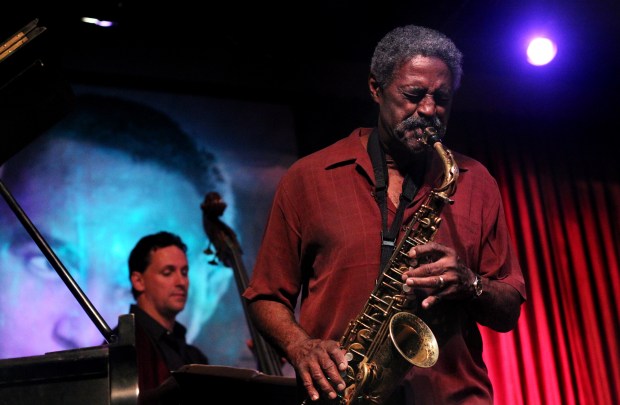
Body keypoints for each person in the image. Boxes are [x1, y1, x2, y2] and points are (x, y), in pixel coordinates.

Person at [242, 24, 527, 404]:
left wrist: (470, 283)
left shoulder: (476, 181)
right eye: (413, 95)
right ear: (376, 88)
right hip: (342, 393)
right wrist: (301, 348)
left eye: (441, 98)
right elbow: (265, 296)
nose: (428, 110)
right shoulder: (308, 178)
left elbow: (508, 311)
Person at [0, 93, 233, 362]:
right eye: (45, 265)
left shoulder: (192, 361)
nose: (86, 336)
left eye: (125, 289)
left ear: (212, 292)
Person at [111, 231, 208, 401]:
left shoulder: (194, 355)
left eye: (184, 272)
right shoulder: (122, 345)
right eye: (168, 272)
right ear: (138, 281)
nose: (181, 282)